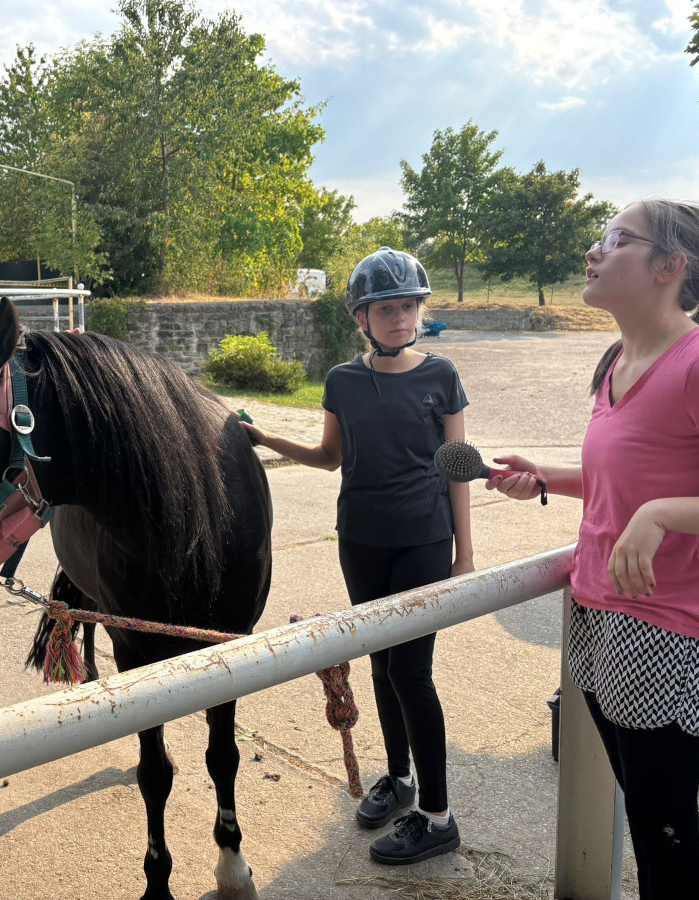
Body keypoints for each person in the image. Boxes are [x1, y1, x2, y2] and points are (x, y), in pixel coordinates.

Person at [488, 200, 699, 899]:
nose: (594, 253)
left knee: (665, 825)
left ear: (670, 267)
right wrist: (543, 478)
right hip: (601, 612)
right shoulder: (620, 364)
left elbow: (665, 498)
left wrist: (663, 515)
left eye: (617, 240)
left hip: (673, 627)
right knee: (642, 807)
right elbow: (621, 477)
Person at [243, 247, 473, 865]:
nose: (400, 318)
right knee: (377, 662)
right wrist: (265, 437)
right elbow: (330, 458)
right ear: (361, 319)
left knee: (411, 673)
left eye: (409, 306)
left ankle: (438, 815)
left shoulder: (442, 376)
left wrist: (465, 554)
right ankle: (398, 780)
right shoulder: (343, 381)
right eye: (386, 309)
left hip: (425, 539)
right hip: (361, 539)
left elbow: (457, 467)